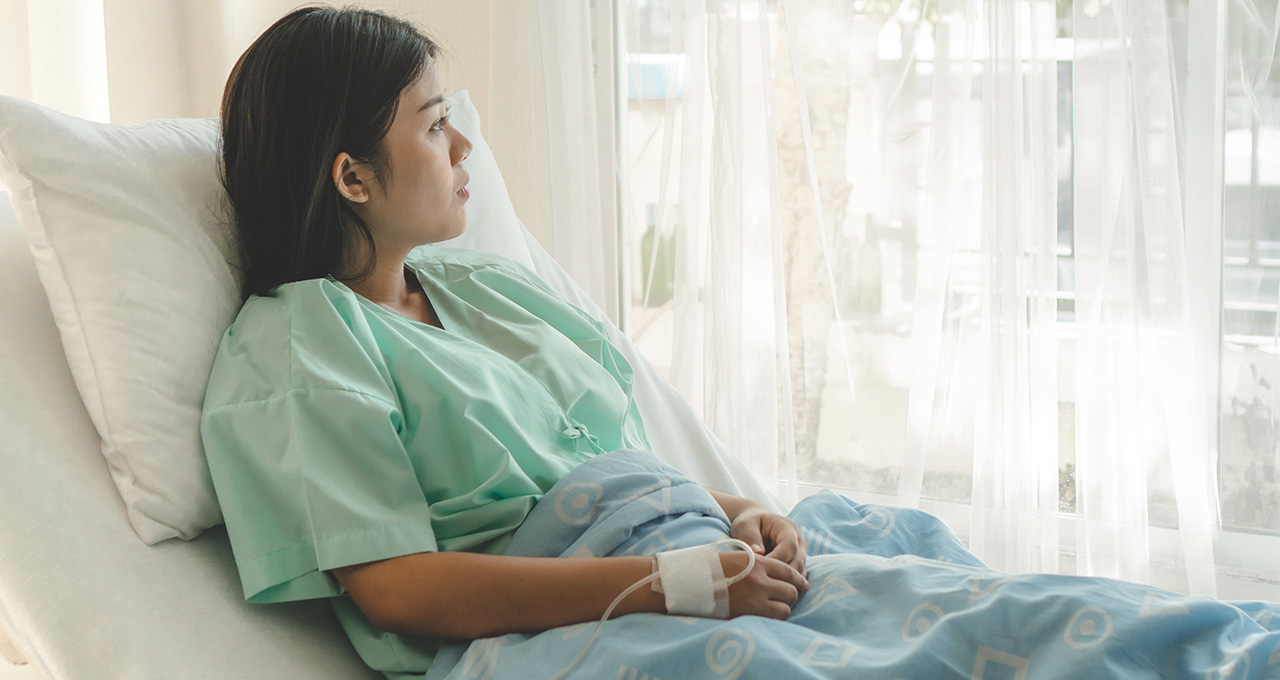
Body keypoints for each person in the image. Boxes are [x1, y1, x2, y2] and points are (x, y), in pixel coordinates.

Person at [201, 6, 809, 678]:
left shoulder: (487, 285)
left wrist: (740, 510)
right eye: (435, 125)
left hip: (695, 558)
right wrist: (685, 586)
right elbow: (399, 588)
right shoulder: (300, 349)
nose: (464, 147)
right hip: (574, 635)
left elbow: (605, 472)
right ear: (354, 179)